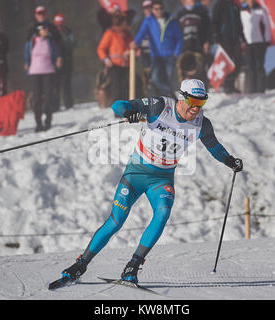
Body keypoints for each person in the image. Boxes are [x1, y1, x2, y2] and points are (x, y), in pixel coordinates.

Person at [59, 79, 243, 284]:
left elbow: (214, 146)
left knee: (163, 211)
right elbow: (118, 105)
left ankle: (132, 266)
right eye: (192, 101)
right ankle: (80, 264)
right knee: (116, 221)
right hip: (136, 173)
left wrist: (229, 160)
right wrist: (129, 112)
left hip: (162, 178)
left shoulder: (202, 124)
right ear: (182, 96)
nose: (195, 108)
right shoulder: (160, 105)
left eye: (201, 103)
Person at [132, 0, 183, 97]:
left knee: (169, 77)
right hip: (156, 55)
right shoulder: (148, 21)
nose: (159, 11)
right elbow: (141, 33)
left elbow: (179, 38)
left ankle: (169, 98)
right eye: (156, 9)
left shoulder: (171, 20)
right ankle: (169, 94)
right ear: (152, 10)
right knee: (155, 77)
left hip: (170, 55)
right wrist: (135, 43)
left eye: (161, 8)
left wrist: (177, 52)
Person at [24, 22, 62, 132]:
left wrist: (58, 59)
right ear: (39, 30)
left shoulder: (50, 41)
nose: (46, 30)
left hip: (48, 71)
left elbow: (56, 53)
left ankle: (48, 121)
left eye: (47, 28)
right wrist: (26, 63)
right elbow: (26, 54)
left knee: (48, 97)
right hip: (35, 72)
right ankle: (38, 123)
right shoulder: (32, 41)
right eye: (44, 29)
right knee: (37, 99)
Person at [97, 8, 133, 106]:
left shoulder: (127, 35)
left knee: (127, 87)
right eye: (124, 23)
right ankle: (118, 111)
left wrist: (131, 52)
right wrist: (106, 59)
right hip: (114, 65)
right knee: (116, 88)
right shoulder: (110, 33)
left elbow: (133, 46)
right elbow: (101, 48)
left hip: (126, 65)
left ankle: (128, 107)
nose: (126, 25)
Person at [212, 0, 246, 93]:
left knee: (238, 61)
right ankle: (227, 85)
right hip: (224, 38)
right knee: (227, 62)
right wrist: (216, 36)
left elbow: (239, 23)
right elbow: (214, 21)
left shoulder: (234, 5)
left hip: (235, 38)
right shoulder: (219, 4)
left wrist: (242, 37)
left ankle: (231, 83)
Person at [240, 0, 271, 93]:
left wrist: (267, 40)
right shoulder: (242, 10)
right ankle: (251, 90)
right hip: (247, 43)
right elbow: (241, 27)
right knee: (250, 66)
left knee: (259, 66)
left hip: (259, 42)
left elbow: (266, 25)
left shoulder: (261, 10)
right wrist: (241, 41)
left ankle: (261, 89)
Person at [53, 13, 76, 111]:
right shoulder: (52, 32)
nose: (59, 26)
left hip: (67, 61)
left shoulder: (68, 32)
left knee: (66, 83)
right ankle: (55, 105)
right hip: (55, 62)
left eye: (60, 24)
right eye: (57, 24)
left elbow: (73, 43)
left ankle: (68, 104)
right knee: (55, 84)